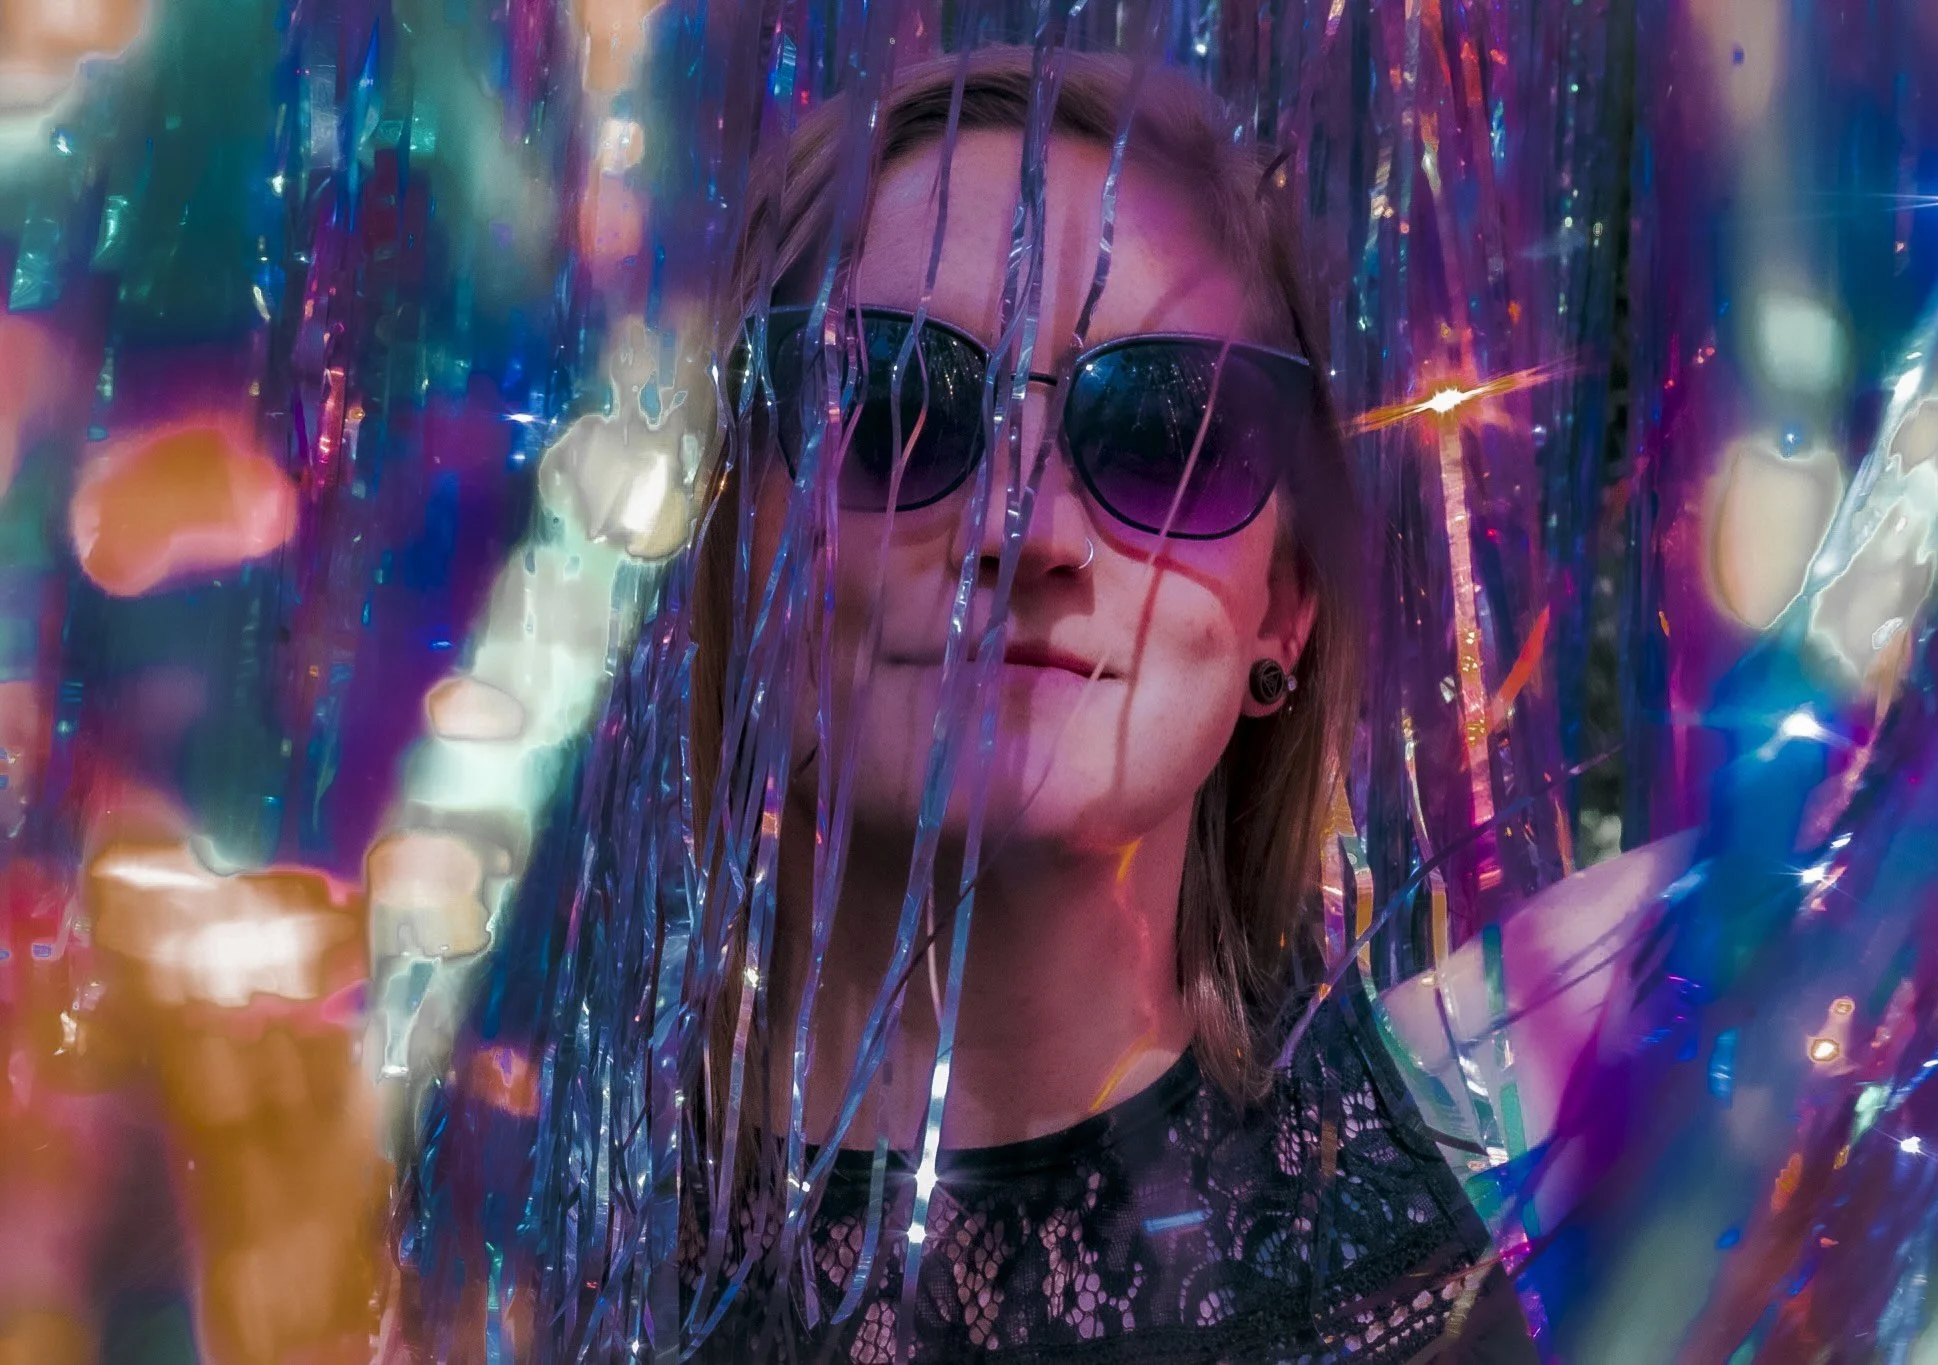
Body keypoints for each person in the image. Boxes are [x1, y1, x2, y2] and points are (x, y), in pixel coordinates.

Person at [600, 45, 1693, 1364]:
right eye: (895, 402)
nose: (1026, 523)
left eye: (1168, 434)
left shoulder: (1523, 1117)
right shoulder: (477, 1209)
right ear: (735, 540)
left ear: (1283, 610)